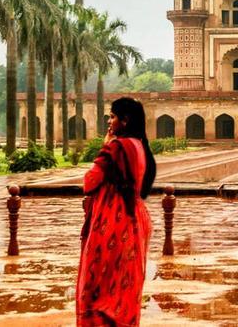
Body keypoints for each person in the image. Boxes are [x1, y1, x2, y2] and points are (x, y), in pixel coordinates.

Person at [76, 97, 157, 326]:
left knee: (96, 288)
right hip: (135, 223)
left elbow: (89, 182)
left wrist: (105, 145)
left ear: (125, 120)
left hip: (112, 223)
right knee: (123, 288)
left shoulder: (117, 148)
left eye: (112, 116)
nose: (109, 121)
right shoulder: (140, 147)